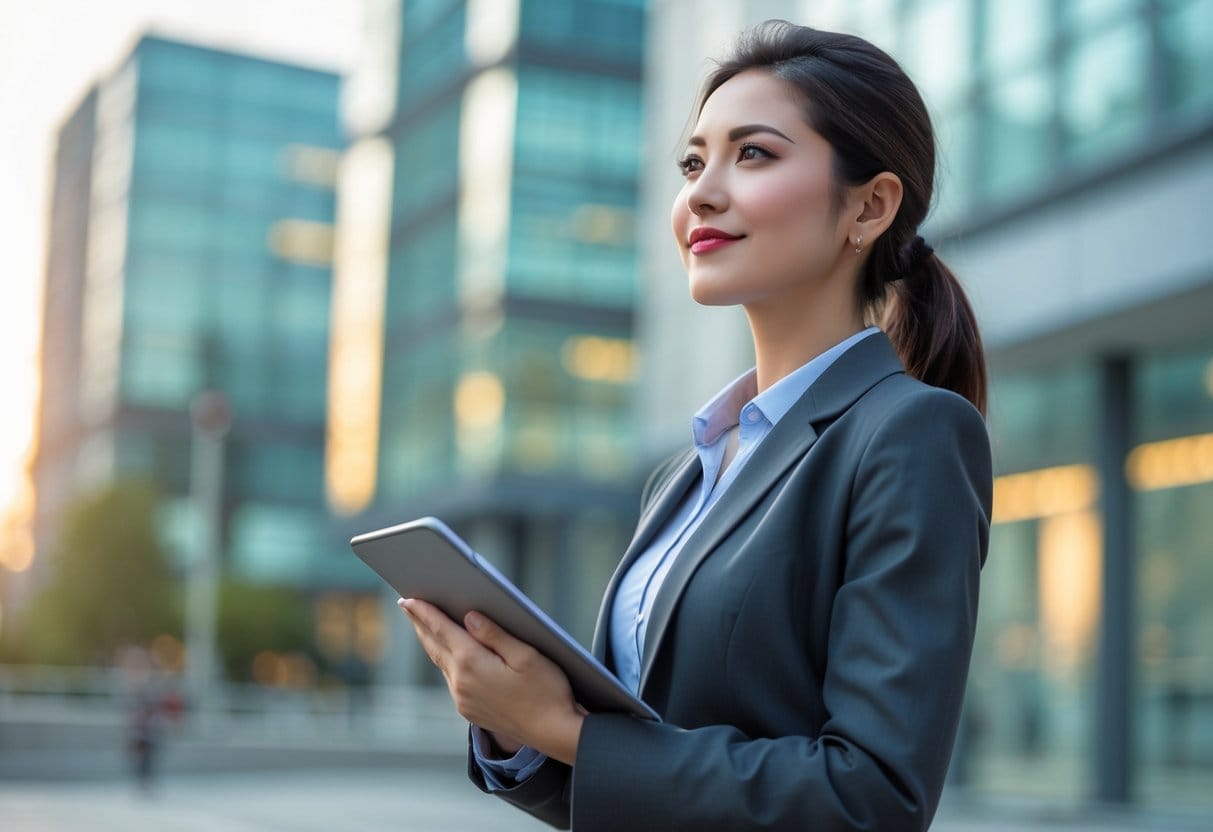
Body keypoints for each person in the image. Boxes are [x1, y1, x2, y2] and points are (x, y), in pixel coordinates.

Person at [400, 20, 992, 831]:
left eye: (753, 154)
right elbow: (626, 783)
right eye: (692, 162)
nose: (701, 193)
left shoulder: (909, 434)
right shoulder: (689, 472)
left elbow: (873, 800)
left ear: (868, 206)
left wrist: (563, 728)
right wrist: (517, 725)